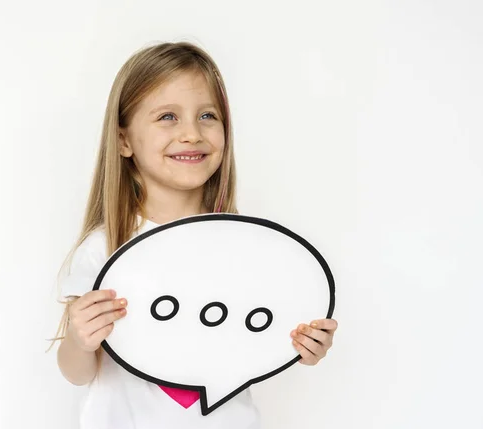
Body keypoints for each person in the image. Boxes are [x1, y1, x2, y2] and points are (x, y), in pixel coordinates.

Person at [52, 41, 338, 429]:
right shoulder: (105, 248)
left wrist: (302, 344)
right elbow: (78, 372)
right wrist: (80, 341)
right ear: (123, 141)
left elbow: (260, 335)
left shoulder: (247, 247)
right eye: (168, 117)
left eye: (207, 115)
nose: (191, 133)